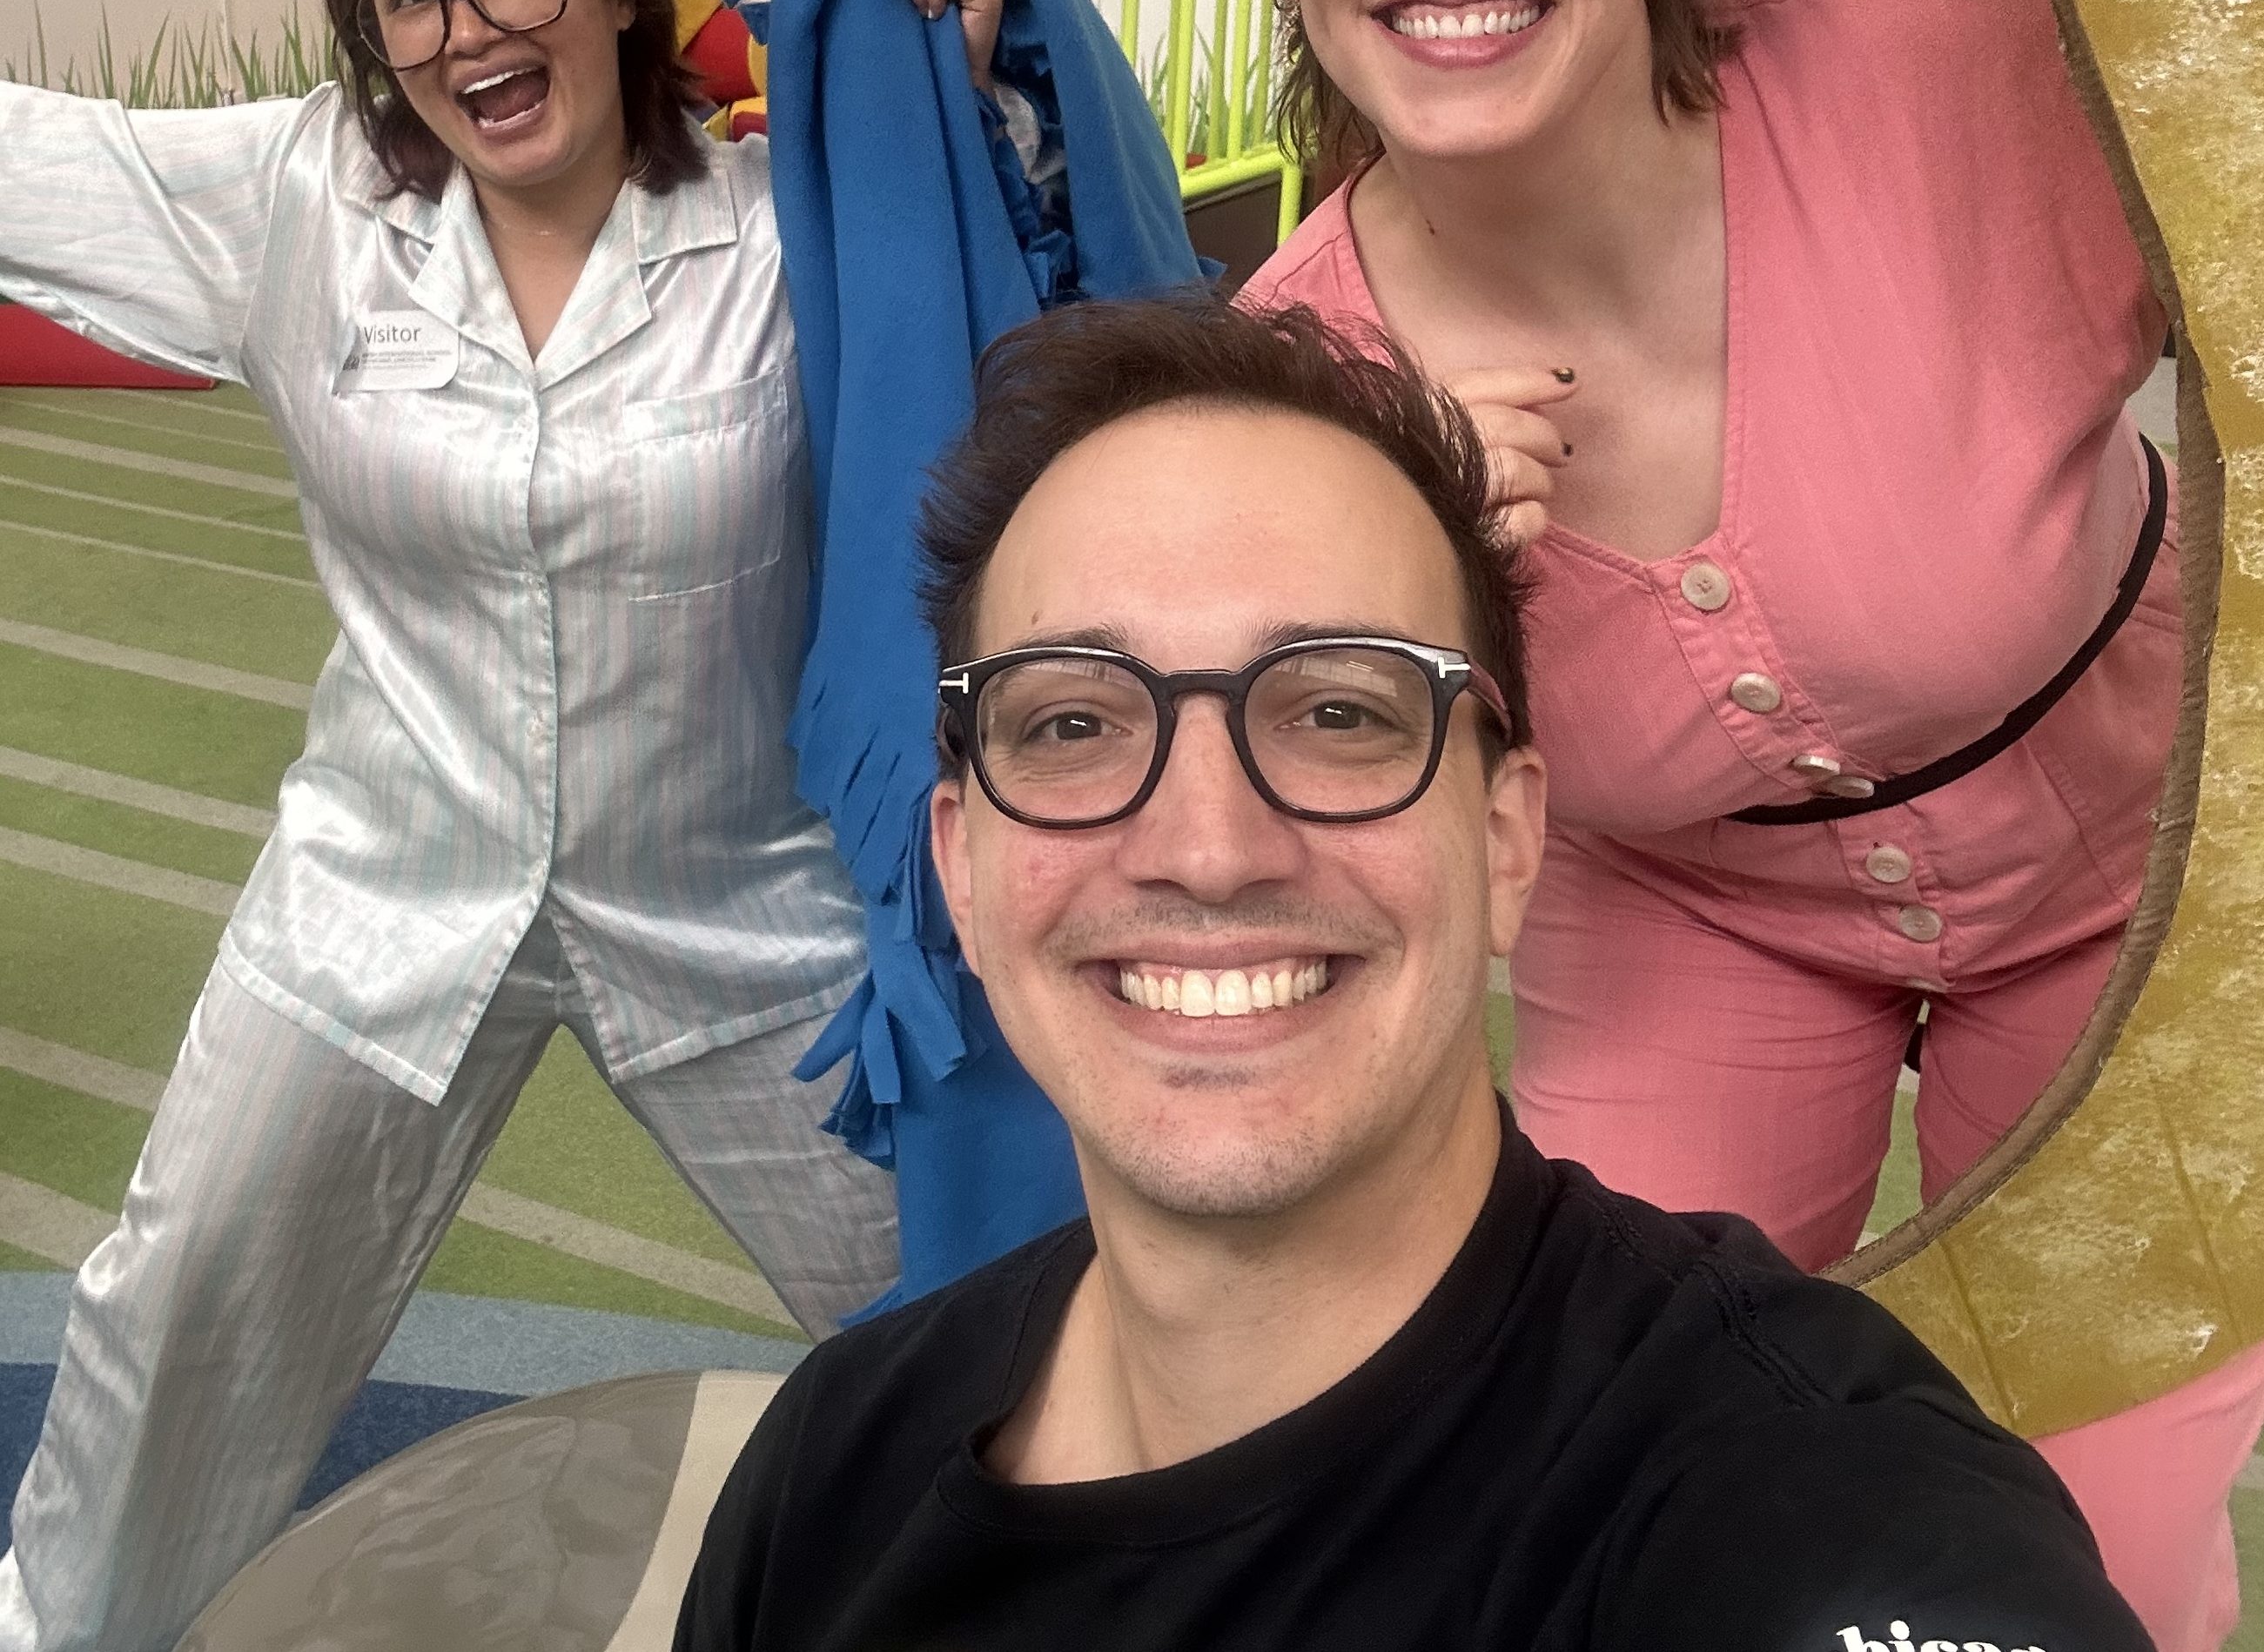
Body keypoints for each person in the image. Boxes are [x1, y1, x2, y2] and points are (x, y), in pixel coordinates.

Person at [1153, 0, 2264, 1652]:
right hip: (1687, 909)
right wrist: (1393, 589)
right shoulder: (1296, 375)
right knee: (1597, 1458)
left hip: (2134, 874)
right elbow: (1265, 831)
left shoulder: (1955, 41)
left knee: (2105, 1542)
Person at [0, 0, 1027, 1652]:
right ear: (376, 46)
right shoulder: (297, 202)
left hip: (742, 916)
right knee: (177, 1313)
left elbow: (1025, 252)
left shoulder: (781, 229)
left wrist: (969, 63)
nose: (469, 26)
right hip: (379, 899)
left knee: (990, 1328)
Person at [675, 293, 2150, 1652]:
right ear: (961, 865)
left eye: (1336, 713)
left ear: (1504, 842)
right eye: (1072, 725)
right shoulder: (835, 1456)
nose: (1207, 847)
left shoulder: (1801, 1486)